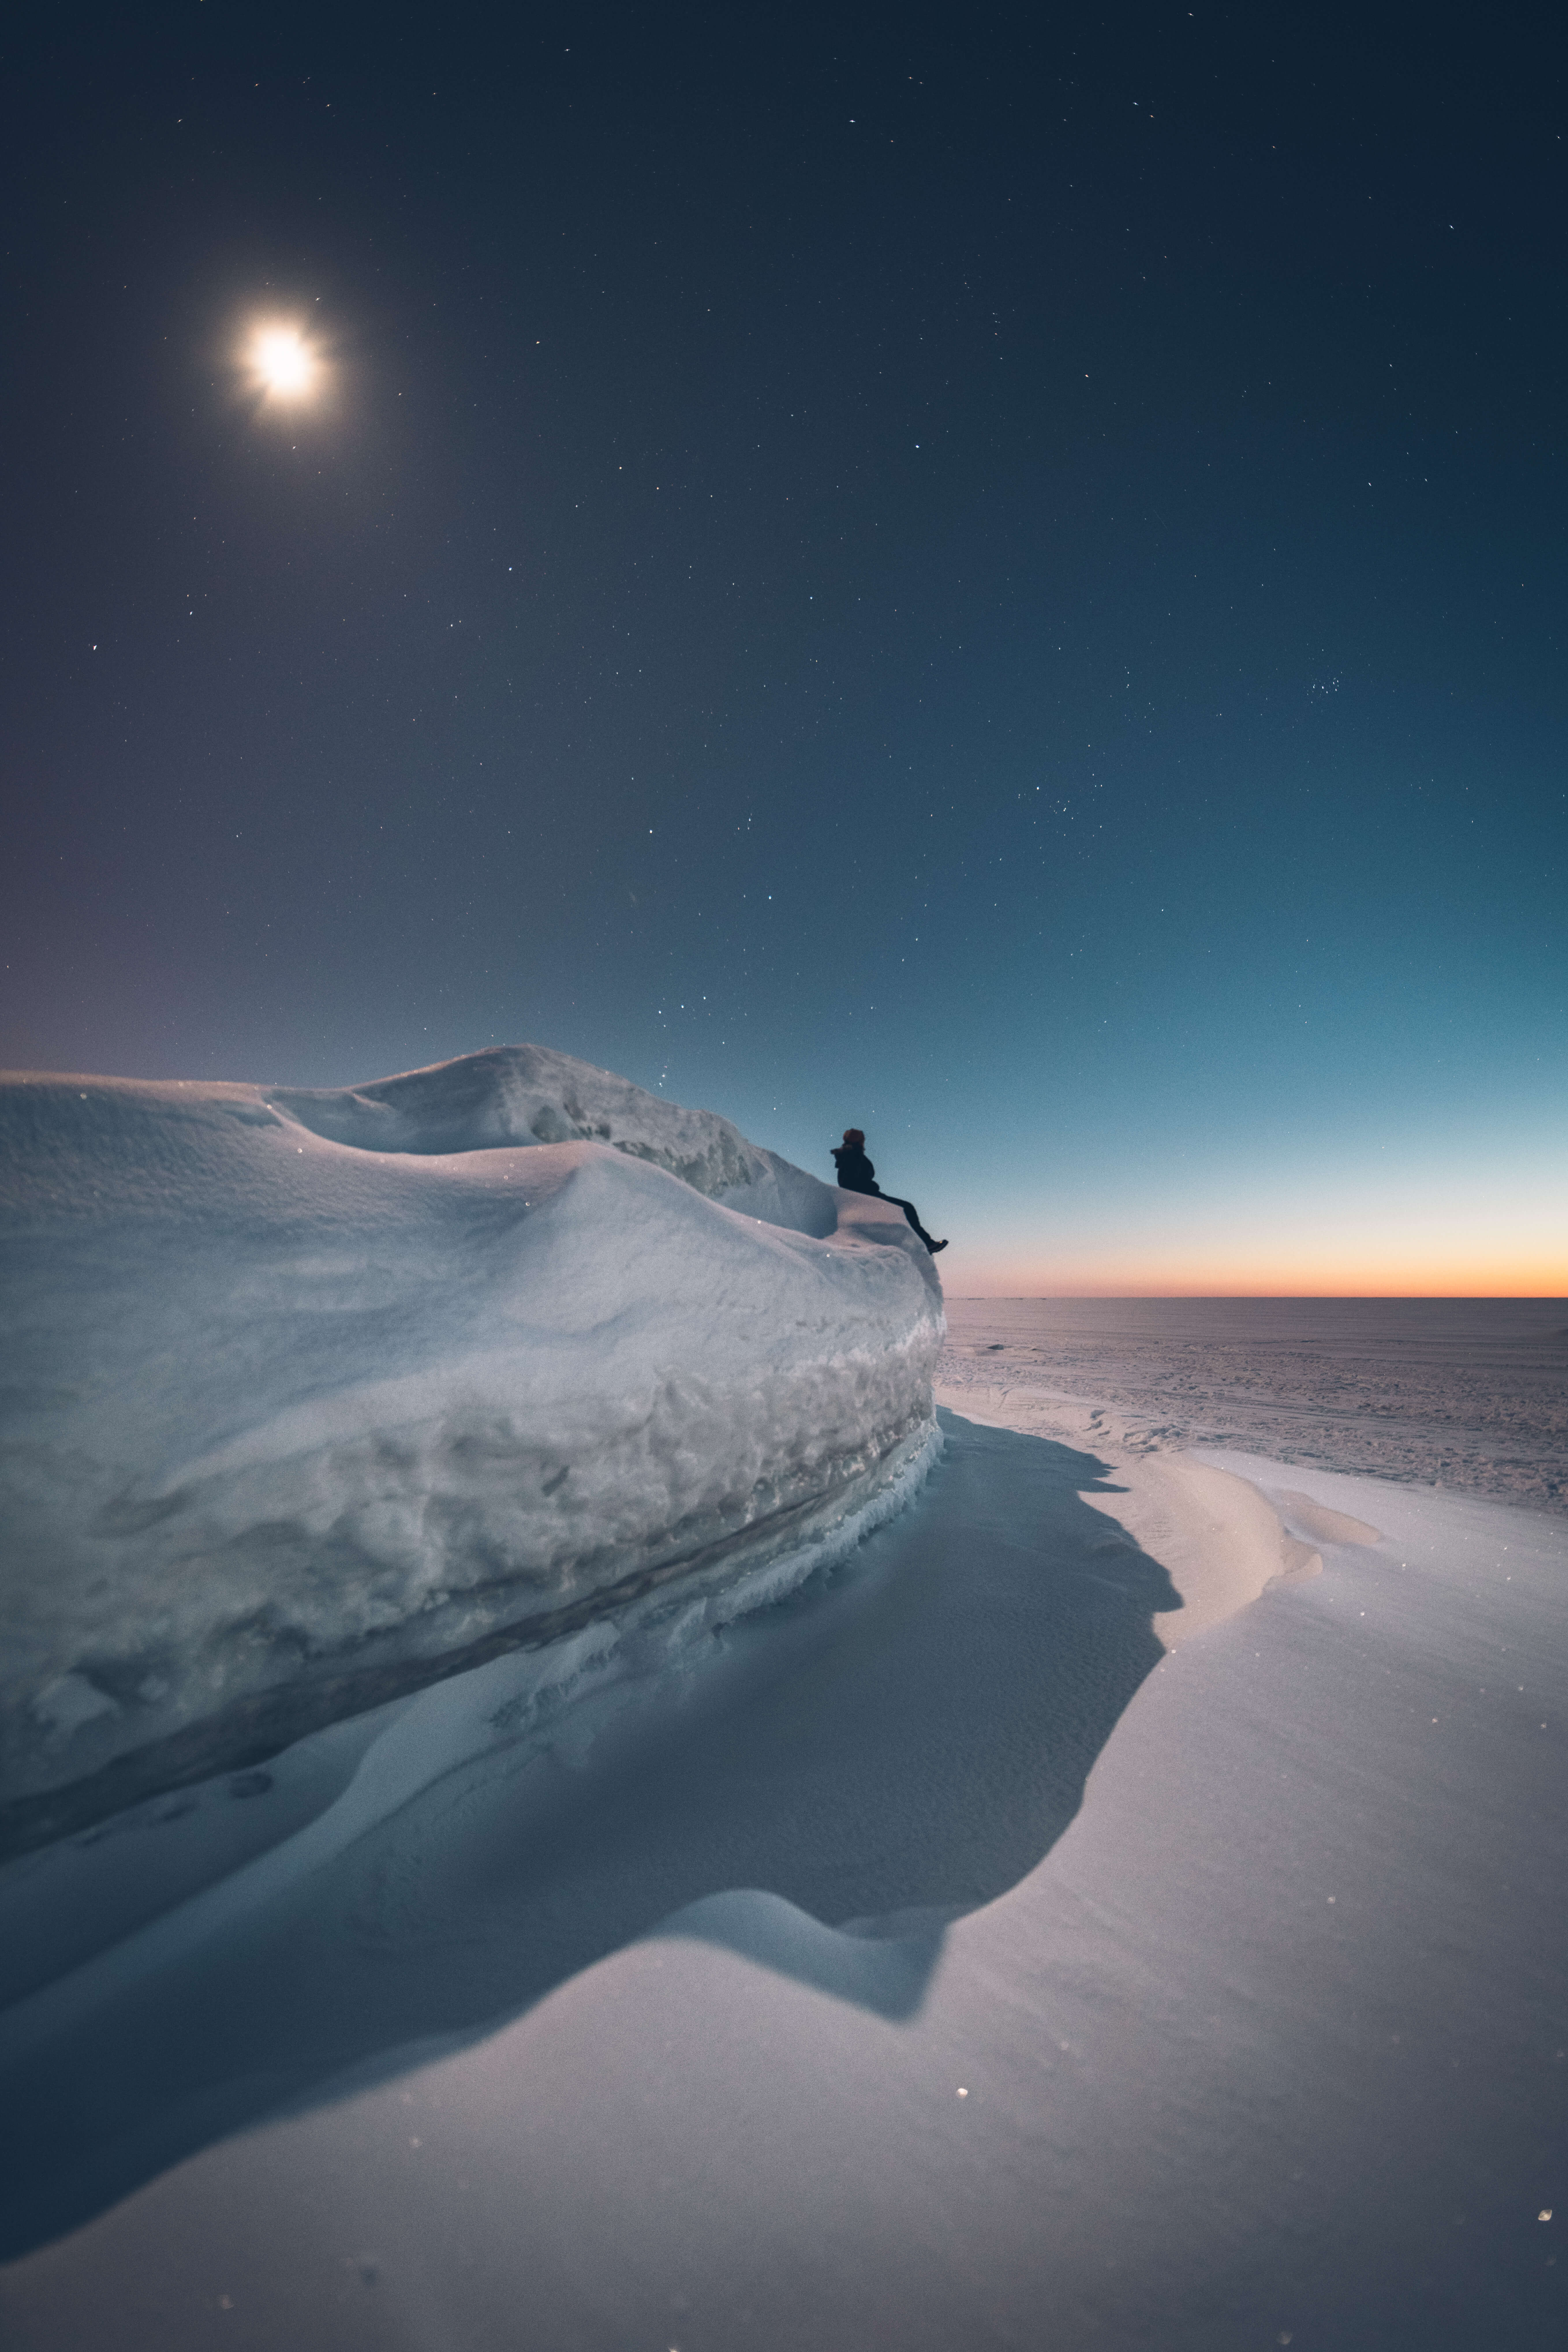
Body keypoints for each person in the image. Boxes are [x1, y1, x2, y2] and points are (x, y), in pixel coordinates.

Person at [830, 1128, 947, 1254]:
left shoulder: (850, 1155)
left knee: (906, 1209)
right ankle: (927, 1244)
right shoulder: (854, 1155)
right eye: (863, 1140)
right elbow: (850, 1183)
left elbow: (849, 1182)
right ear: (860, 1142)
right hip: (869, 1197)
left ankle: (922, 1245)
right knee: (906, 1208)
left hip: (869, 1195)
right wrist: (868, 1193)